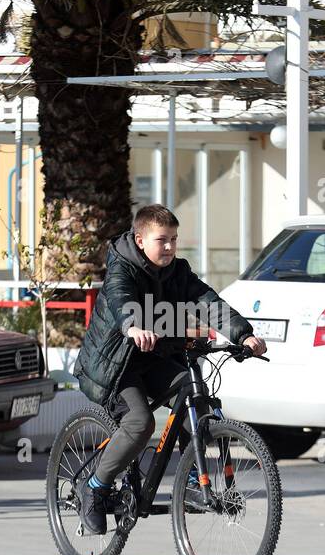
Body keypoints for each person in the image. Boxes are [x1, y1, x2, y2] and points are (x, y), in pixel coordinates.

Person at [73, 204, 267, 535]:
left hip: (156, 357)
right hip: (115, 365)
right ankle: (95, 487)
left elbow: (207, 301)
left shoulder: (177, 271)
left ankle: (194, 479)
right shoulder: (123, 268)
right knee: (140, 422)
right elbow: (121, 300)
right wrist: (133, 326)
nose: (169, 247)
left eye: (174, 240)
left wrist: (243, 334)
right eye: (162, 240)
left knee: (196, 397)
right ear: (140, 239)